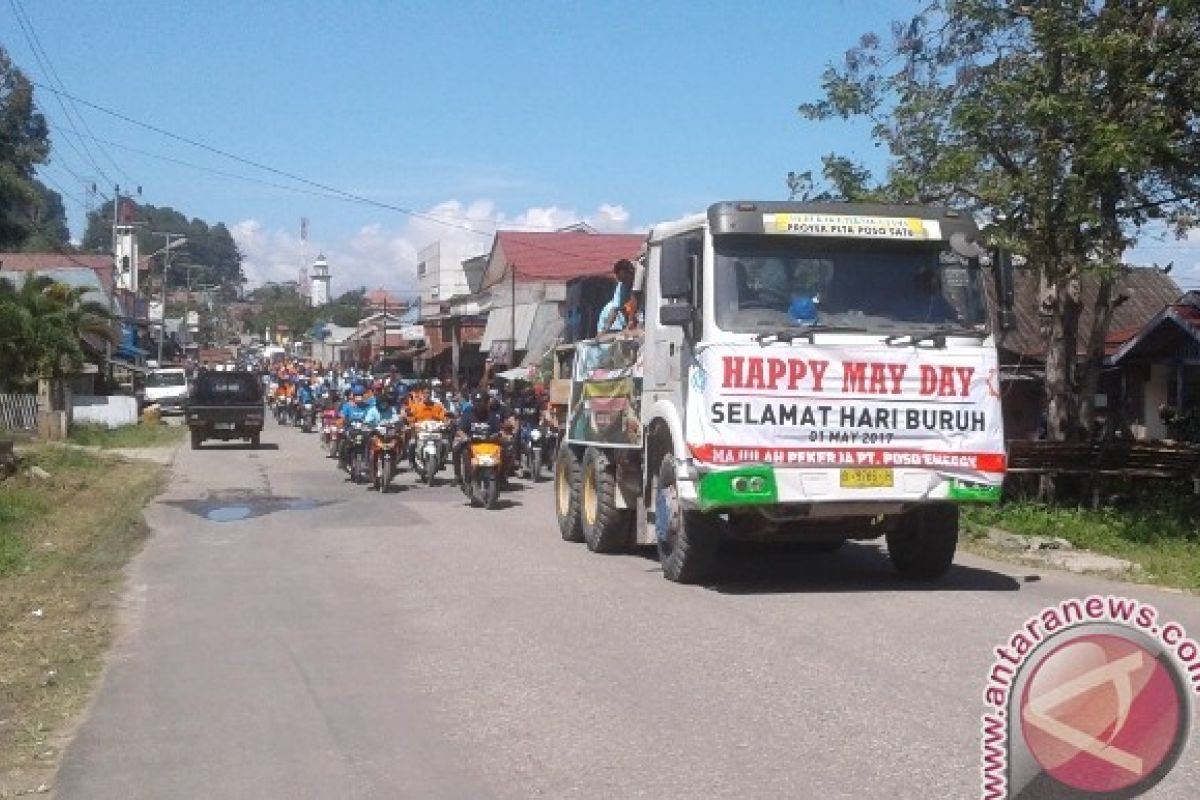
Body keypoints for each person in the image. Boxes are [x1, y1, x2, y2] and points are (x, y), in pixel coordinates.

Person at [598, 258, 637, 333]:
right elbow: (616, 308)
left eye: (625, 279)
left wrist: (631, 321)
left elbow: (635, 298)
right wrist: (605, 329)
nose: (624, 283)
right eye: (621, 280)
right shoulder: (622, 285)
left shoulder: (641, 280)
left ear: (631, 272)